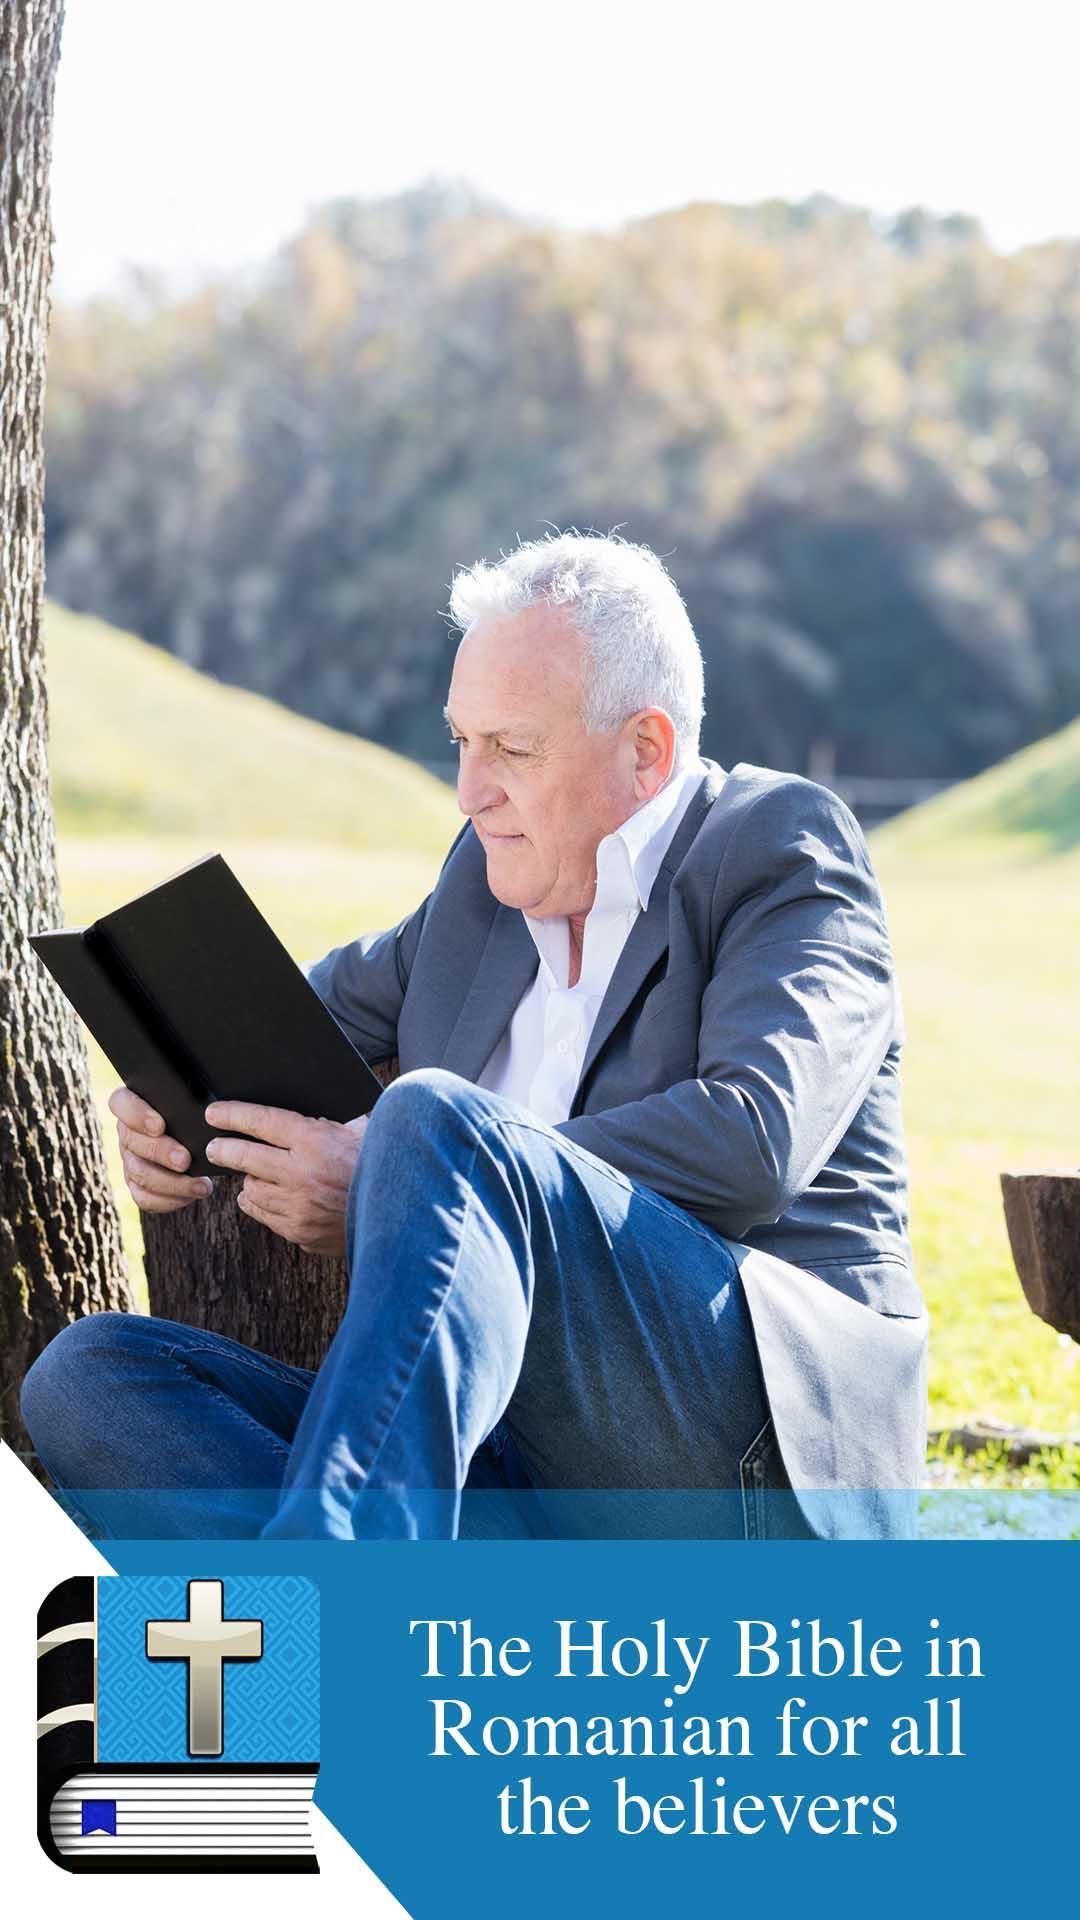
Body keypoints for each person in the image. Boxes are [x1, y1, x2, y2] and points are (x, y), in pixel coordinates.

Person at [21, 532, 927, 1542]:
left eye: (512, 749)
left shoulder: (779, 848)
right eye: (461, 742)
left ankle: (347, 1584)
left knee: (436, 1121)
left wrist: (413, 1177)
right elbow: (287, 1017)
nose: (471, 789)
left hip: (757, 1467)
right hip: (510, 1473)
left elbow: (753, 1139)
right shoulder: (486, 886)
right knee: (92, 1380)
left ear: (646, 750)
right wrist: (171, 1092)